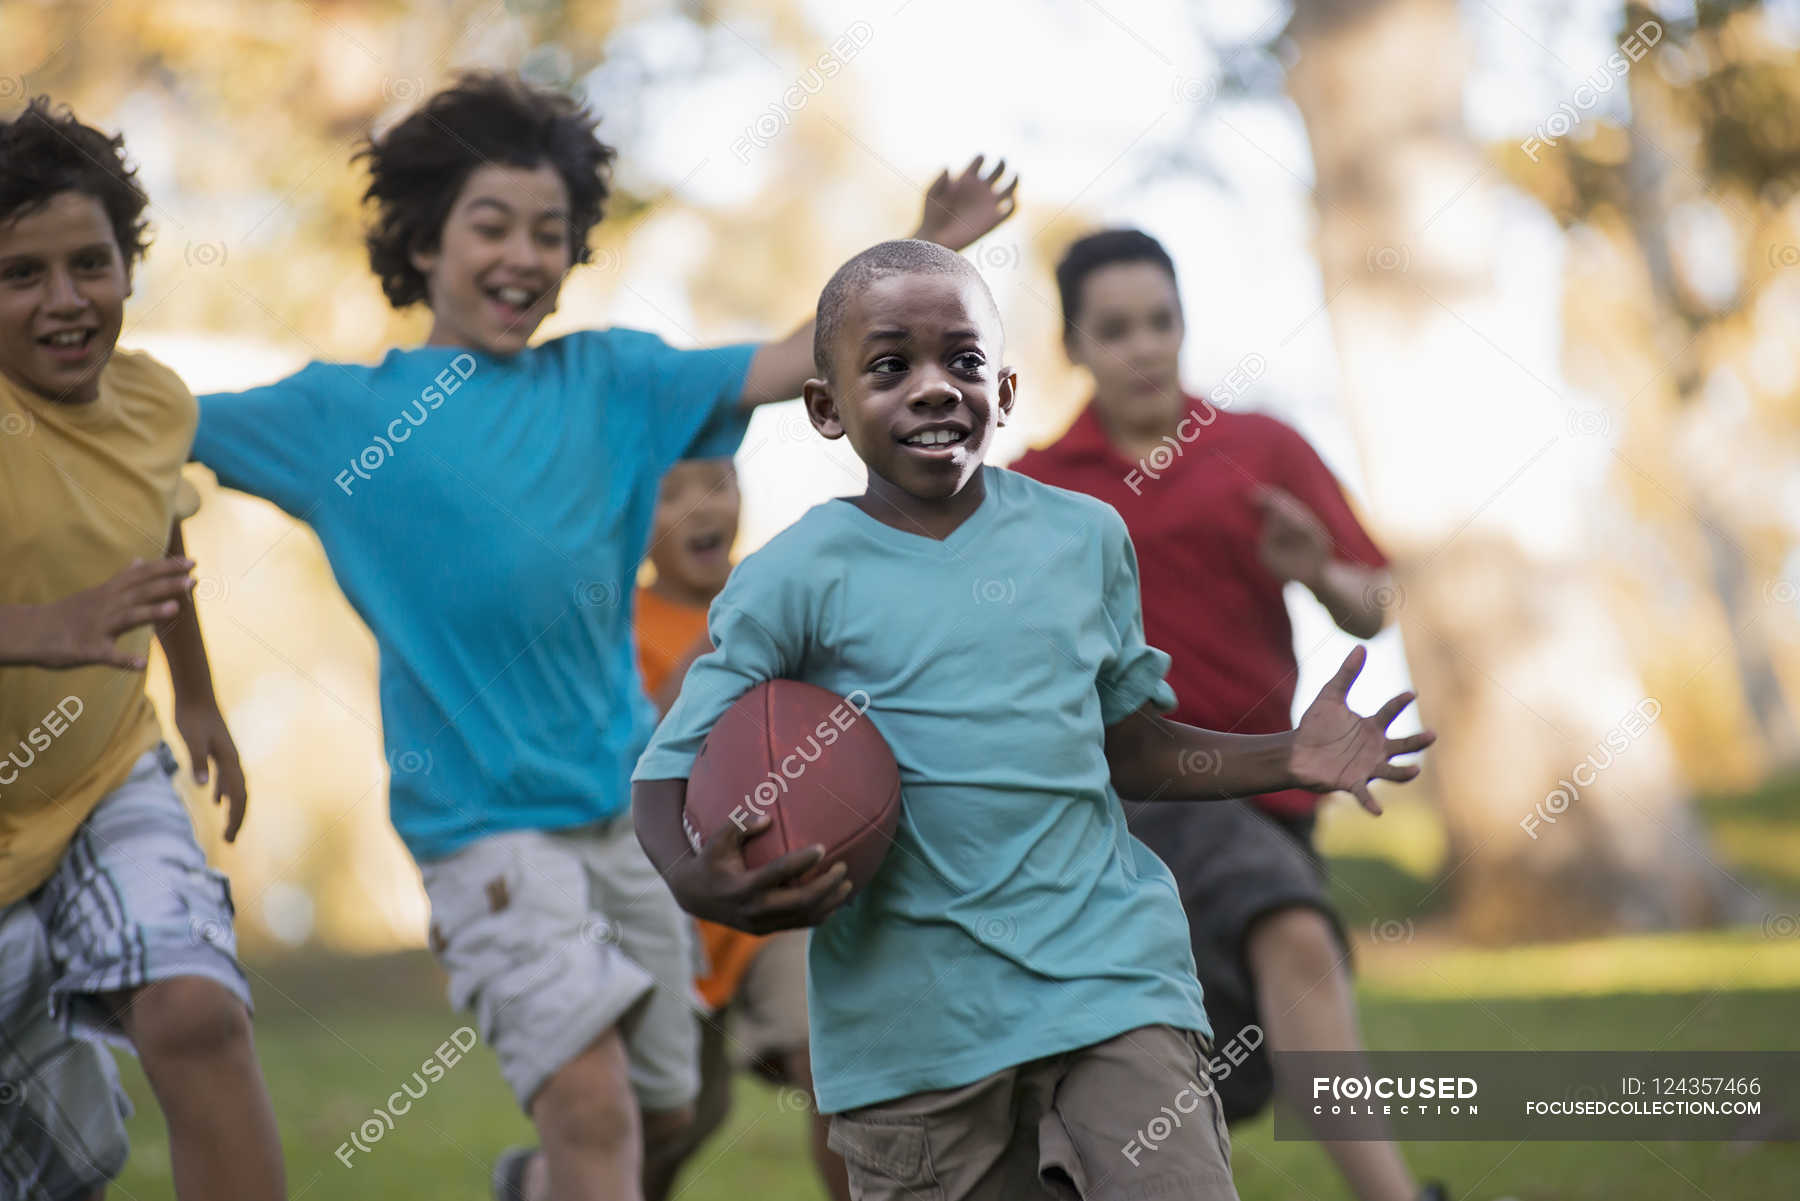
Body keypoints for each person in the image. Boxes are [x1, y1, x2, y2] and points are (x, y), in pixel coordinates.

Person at [187, 72, 1017, 1201]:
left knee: (667, 1105)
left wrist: (925, 246)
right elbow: (150, 423)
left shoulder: (614, 383)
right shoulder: (341, 417)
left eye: (551, 231)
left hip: (631, 818)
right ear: (426, 238)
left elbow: (790, 360)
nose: (524, 254)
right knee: (592, 1105)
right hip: (484, 834)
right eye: (492, 225)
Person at [632, 238, 1434, 1201]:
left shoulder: (1084, 536)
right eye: (890, 366)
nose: (934, 387)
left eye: (963, 361)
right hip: (914, 1029)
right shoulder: (795, 576)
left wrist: (1284, 754)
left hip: (1109, 978)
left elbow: (1132, 746)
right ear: (824, 407)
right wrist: (696, 879)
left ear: (1003, 392)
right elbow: (664, 768)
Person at [1011, 227, 1446, 1201]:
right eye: (1115, 329)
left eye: (1161, 322)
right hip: (1124, 794)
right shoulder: (1034, 487)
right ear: (1075, 347)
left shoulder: (1260, 448)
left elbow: (1372, 602)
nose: (1144, 347)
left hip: (1269, 782)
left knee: (1197, 1028)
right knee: (1289, 932)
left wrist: (1316, 570)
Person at [0, 98, 286, 1201]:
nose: (65, 300)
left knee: (196, 1007)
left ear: (131, 265)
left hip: (101, 773)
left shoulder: (154, 401)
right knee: (58, 1169)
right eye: (20, 274)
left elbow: (156, 536)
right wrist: (43, 630)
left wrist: (200, 697)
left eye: (90, 263)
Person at [632, 457, 851, 1201]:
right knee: (681, 1116)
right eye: (670, 492)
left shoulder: (781, 603)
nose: (702, 505)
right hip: (672, 907)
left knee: (829, 1062)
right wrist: (731, 627)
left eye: (718, 482)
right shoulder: (622, 626)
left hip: (778, 884)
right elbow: (644, 740)